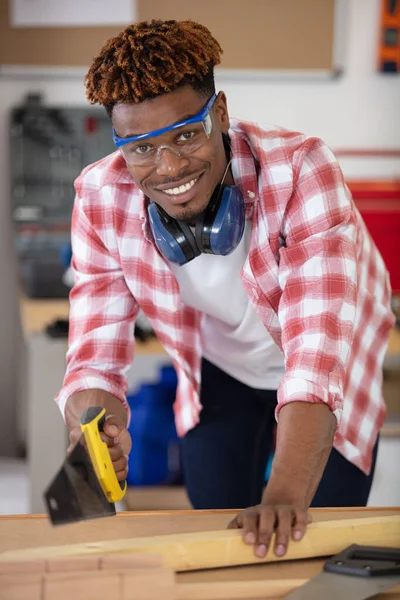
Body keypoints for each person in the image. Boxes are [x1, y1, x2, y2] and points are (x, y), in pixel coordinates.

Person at [57, 19, 395, 559]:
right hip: (222, 363)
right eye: (140, 149)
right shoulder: (100, 196)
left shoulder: (302, 170)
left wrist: (284, 494)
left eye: (186, 134)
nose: (168, 167)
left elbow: (313, 358)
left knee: (320, 538)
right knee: (217, 515)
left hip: (326, 363)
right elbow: (95, 353)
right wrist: (96, 424)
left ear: (219, 113)